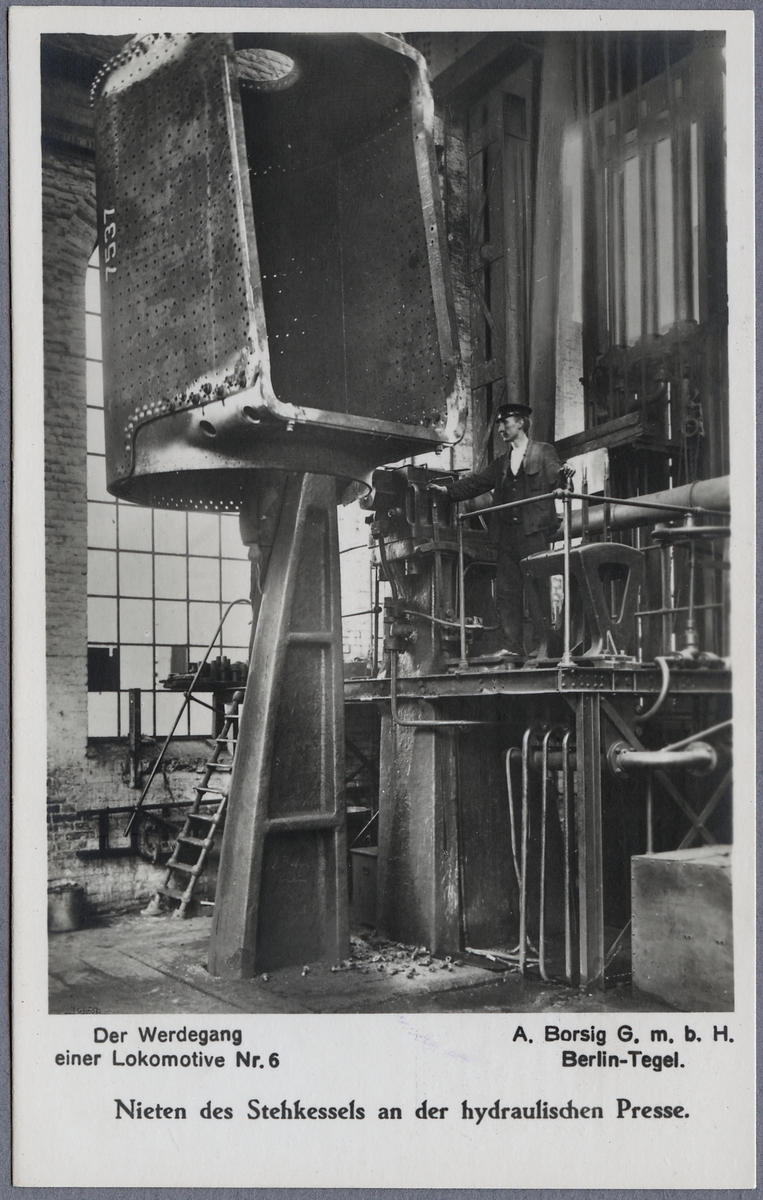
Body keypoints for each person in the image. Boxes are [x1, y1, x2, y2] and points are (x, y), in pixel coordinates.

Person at [429, 403, 570, 660]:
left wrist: (564, 478)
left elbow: (556, 477)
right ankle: (512, 647)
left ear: (521, 423)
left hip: (533, 533)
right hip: (507, 536)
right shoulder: (502, 462)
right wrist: (448, 491)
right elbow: (477, 483)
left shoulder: (543, 451)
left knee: (538, 589)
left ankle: (543, 647)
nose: (501, 428)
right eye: (500, 424)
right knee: (507, 593)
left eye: (506, 423)